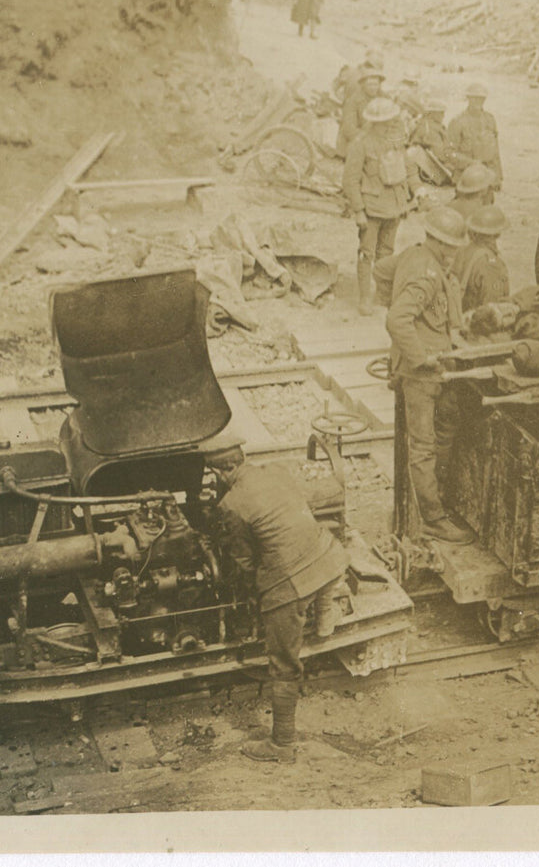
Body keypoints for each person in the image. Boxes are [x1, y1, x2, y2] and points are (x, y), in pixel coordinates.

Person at [202, 434, 350, 763]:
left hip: (292, 583)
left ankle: (282, 744)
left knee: (283, 664)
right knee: (319, 583)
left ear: (222, 472)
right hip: (331, 558)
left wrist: (255, 592)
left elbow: (245, 562)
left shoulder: (231, 505)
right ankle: (325, 615)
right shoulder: (277, 471)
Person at [386, 207, 472, 544]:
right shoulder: (427, 274)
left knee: (445, 427)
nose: (452, 253)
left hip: (436, 366)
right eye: (448, 246)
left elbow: (383, 273)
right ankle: (433, 519)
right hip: (423, 374)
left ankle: (436, 498)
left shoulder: (415, 256)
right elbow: (396, 319)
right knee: (423, 446)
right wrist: (419, 357)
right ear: (434, 241)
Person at [342, 97, 420, 316]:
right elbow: (350, 180)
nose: (390, 124)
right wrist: (358, 210)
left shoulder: (395, 141)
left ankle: (382, 295)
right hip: (372, 209)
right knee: (366, 254)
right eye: (386, 121)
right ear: (375, 122)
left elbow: (409, 168)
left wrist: (419, 189)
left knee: (386, 252)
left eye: (391, 120)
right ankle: (365, 297)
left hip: (394, 208)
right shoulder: (361, 144)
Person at [453, 206, 510, 312]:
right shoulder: (490, 264)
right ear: (497, 234)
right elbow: (492, 308)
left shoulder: (464, 250)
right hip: (477, 321)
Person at [447, 83, 503, 190]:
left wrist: (498, 177)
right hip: (466, 173)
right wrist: (470, 162)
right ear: (468, 99)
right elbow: (449, 152)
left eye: (481, 99)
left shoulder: (490, 119)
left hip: (488, 171)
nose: (478, 102)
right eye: (474, 98)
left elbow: (496, 151)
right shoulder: (457, 121)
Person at [337, 64, 386, 159]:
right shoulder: (353, 101)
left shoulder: (382, 96)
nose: (373, 87)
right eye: (370, 84)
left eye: (375, 84)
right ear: (363, 85)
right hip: (355, 142)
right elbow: (349, 130)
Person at [407, 97, 452, 186]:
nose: (443, 115)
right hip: (429, 167)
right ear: (432, 114)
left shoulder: (425, 123)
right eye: (441, 113)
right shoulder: (429, 128)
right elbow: (439, 153)